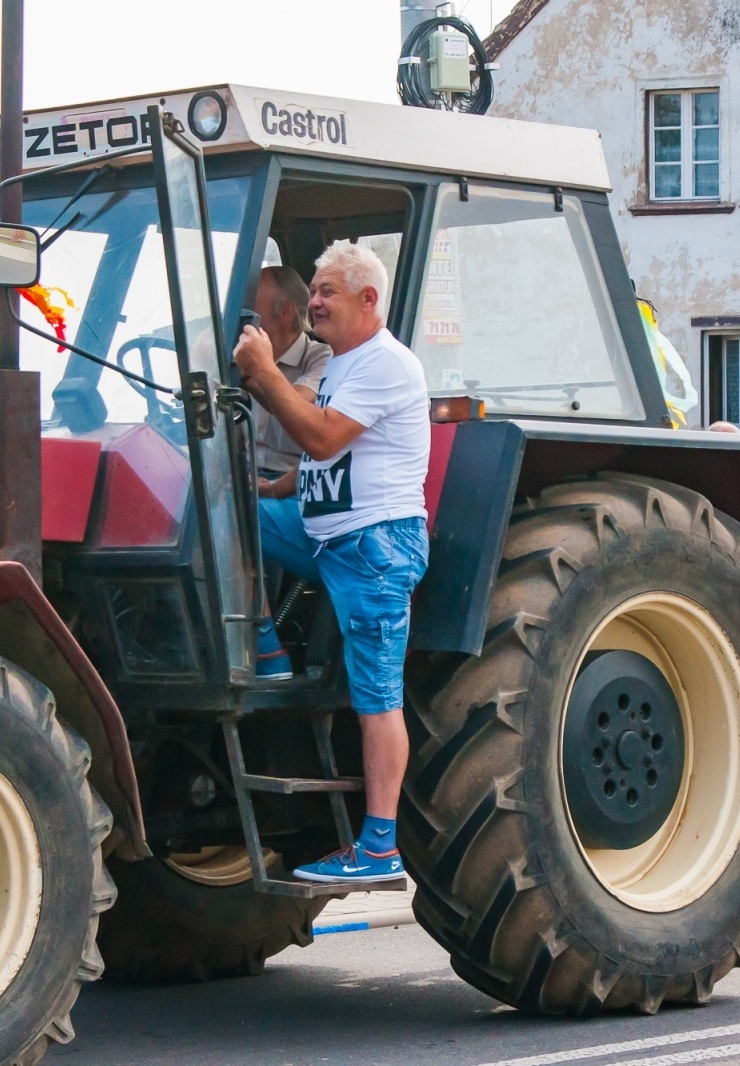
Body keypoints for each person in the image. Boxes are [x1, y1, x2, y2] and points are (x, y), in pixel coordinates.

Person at [233, 240, 430, 884]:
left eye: (327, 293)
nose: (314, 302)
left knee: (378, 698)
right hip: (329, 537)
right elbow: (326, 461)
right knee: (235, 517)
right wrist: (266, 490)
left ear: (369, 300)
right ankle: (264, 645)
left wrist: (262, 373)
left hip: (375, 547)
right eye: (313, 291)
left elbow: (318, 437)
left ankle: (378, 847)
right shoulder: (346, 364)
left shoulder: (385, 364)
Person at [249, 266, 332, 488]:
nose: (244, 315)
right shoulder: (239, 356)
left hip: (292, 484)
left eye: (251, 306)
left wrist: (251, 374)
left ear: (285, 312)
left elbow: (295, 402)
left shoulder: (322, 359)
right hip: (243, 475)